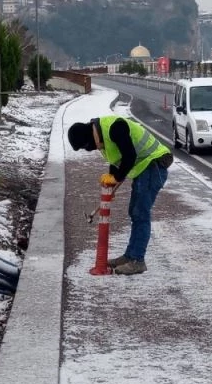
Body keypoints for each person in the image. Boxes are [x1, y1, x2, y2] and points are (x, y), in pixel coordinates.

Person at [68, 116, 173, 275]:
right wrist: (112, 185)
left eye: (87, 147)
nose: (92, 149)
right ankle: (130, 256)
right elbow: (118, 159)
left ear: (88, 139)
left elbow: (129, 156)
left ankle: (137, 260)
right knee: (135, 212)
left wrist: (116, 178)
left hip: (154, 164)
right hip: (146, 167)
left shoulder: (115, 128)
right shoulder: (102, 133)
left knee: (140, 213)